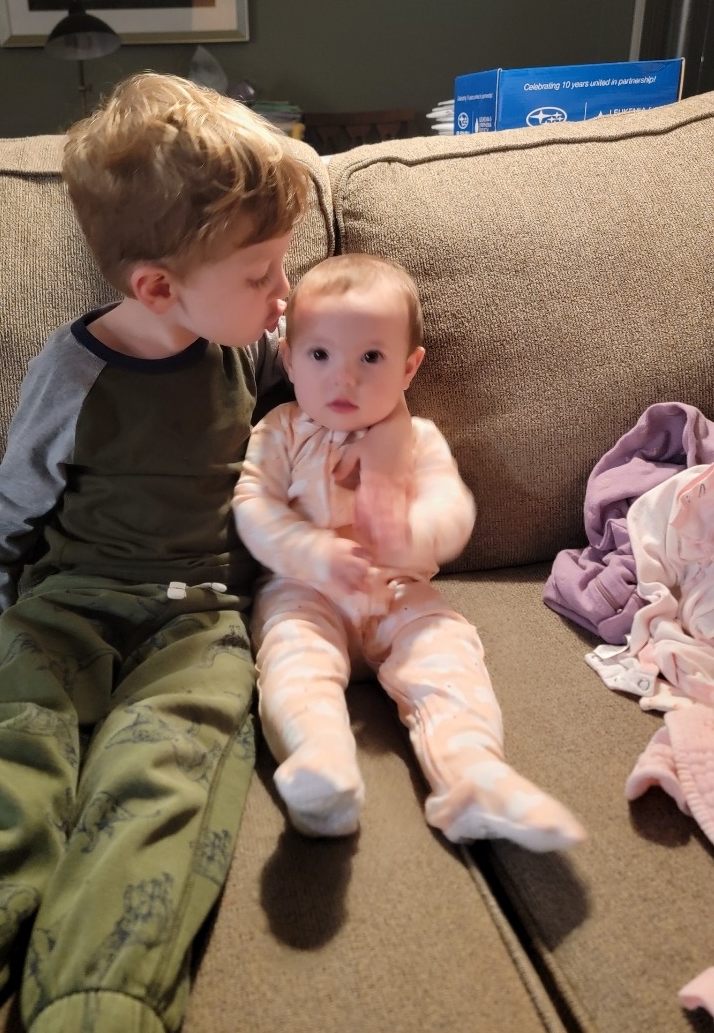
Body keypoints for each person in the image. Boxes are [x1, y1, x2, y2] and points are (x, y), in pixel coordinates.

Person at [0, 73, 318, 1033]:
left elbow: (314, 437)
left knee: (160, 777)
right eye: (261, 274)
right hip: (64, 607)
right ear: (157, 287)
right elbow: (4, 517)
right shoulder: (74, 373)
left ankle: (100, 1003)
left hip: (199, 619)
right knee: (5, 767)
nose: (284, 292)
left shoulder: (254, 347)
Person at [232, 253, 586, 850]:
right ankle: (322, 769)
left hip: (399, 593)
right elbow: (253, 506)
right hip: (304, 592)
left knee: (449, 654)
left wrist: (410, 536)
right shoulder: (281, 431)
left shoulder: (419, 439)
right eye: (320, 355)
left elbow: (453, 509)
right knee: (294, 663)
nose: (344, 379)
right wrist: (310, 551)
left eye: (371, 357)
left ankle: (473, 776)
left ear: (408, 367)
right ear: (288, 359)